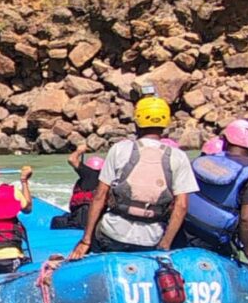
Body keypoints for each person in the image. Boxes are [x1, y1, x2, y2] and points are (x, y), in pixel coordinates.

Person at [69, 95, 198, 259]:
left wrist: (86, 240)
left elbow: (100, 196)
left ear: (137, 122)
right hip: (151, 239)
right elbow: (182, 206)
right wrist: (165, 244)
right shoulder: (179, 157)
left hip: (112, 235)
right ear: (165, 123)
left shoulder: (119, 149)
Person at [184, 119, 248, 262]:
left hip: (184, 230)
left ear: (225, 139)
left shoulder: (204, 160)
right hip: (216, 242)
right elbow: (247, 218)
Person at [51, 144, 105, 230]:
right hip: (98, 218)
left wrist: (79, 151)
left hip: (82, 219)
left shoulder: (89, 173)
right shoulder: (105, 179)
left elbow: (72, 159)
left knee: (56, 220)